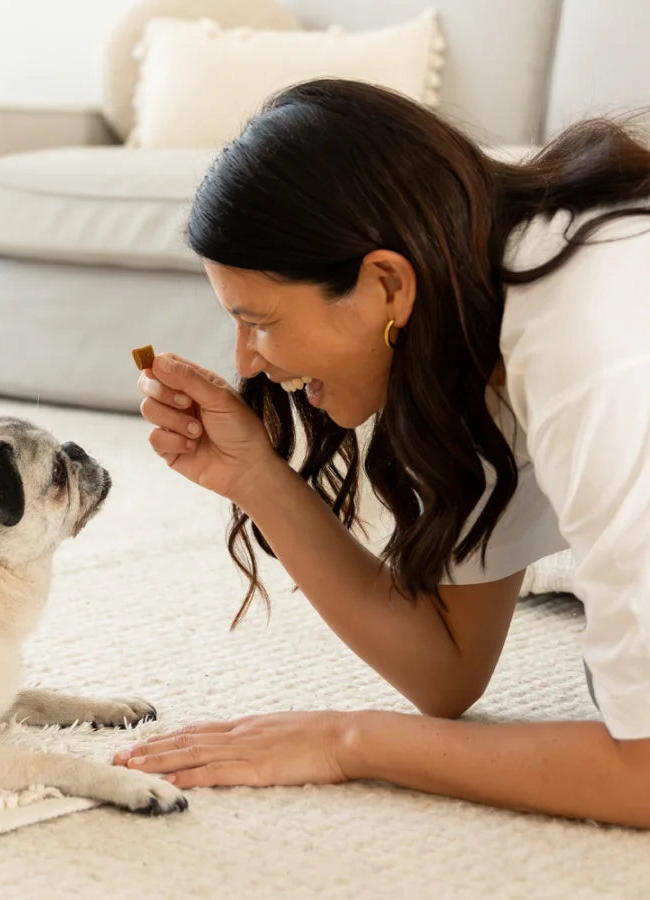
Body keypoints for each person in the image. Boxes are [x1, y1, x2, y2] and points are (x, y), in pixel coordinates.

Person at [112, 78, 650, 828]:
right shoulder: (475, 318)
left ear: (387, 284)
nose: (247, 360)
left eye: (259, 320)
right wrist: (256, 477)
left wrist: (351, 742)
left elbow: (640, 774)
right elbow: (446, 669)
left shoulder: (594, 345)